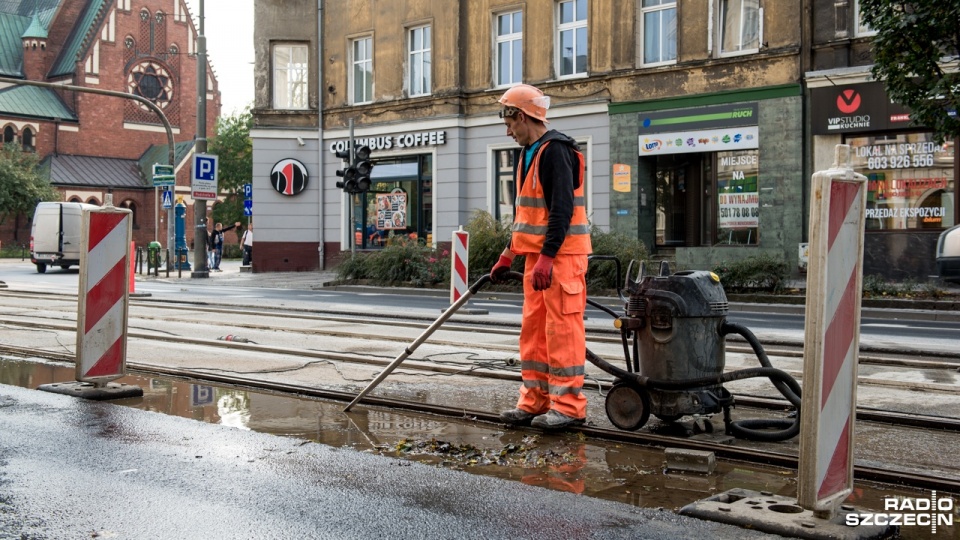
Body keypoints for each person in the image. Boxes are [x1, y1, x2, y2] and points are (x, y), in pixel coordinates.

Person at [489, 84, 592, 431]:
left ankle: (569, 406)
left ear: (521, 115)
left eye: (508, 122)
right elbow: (528, 218)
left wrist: (547, 257)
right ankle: (535, 401)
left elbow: (561, 211)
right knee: (534, 332)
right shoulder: (529, 154)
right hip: (539, 258)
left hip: (561, 258)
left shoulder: (555, 151)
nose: (507, 131)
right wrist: (508, 255)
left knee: (562, 331)